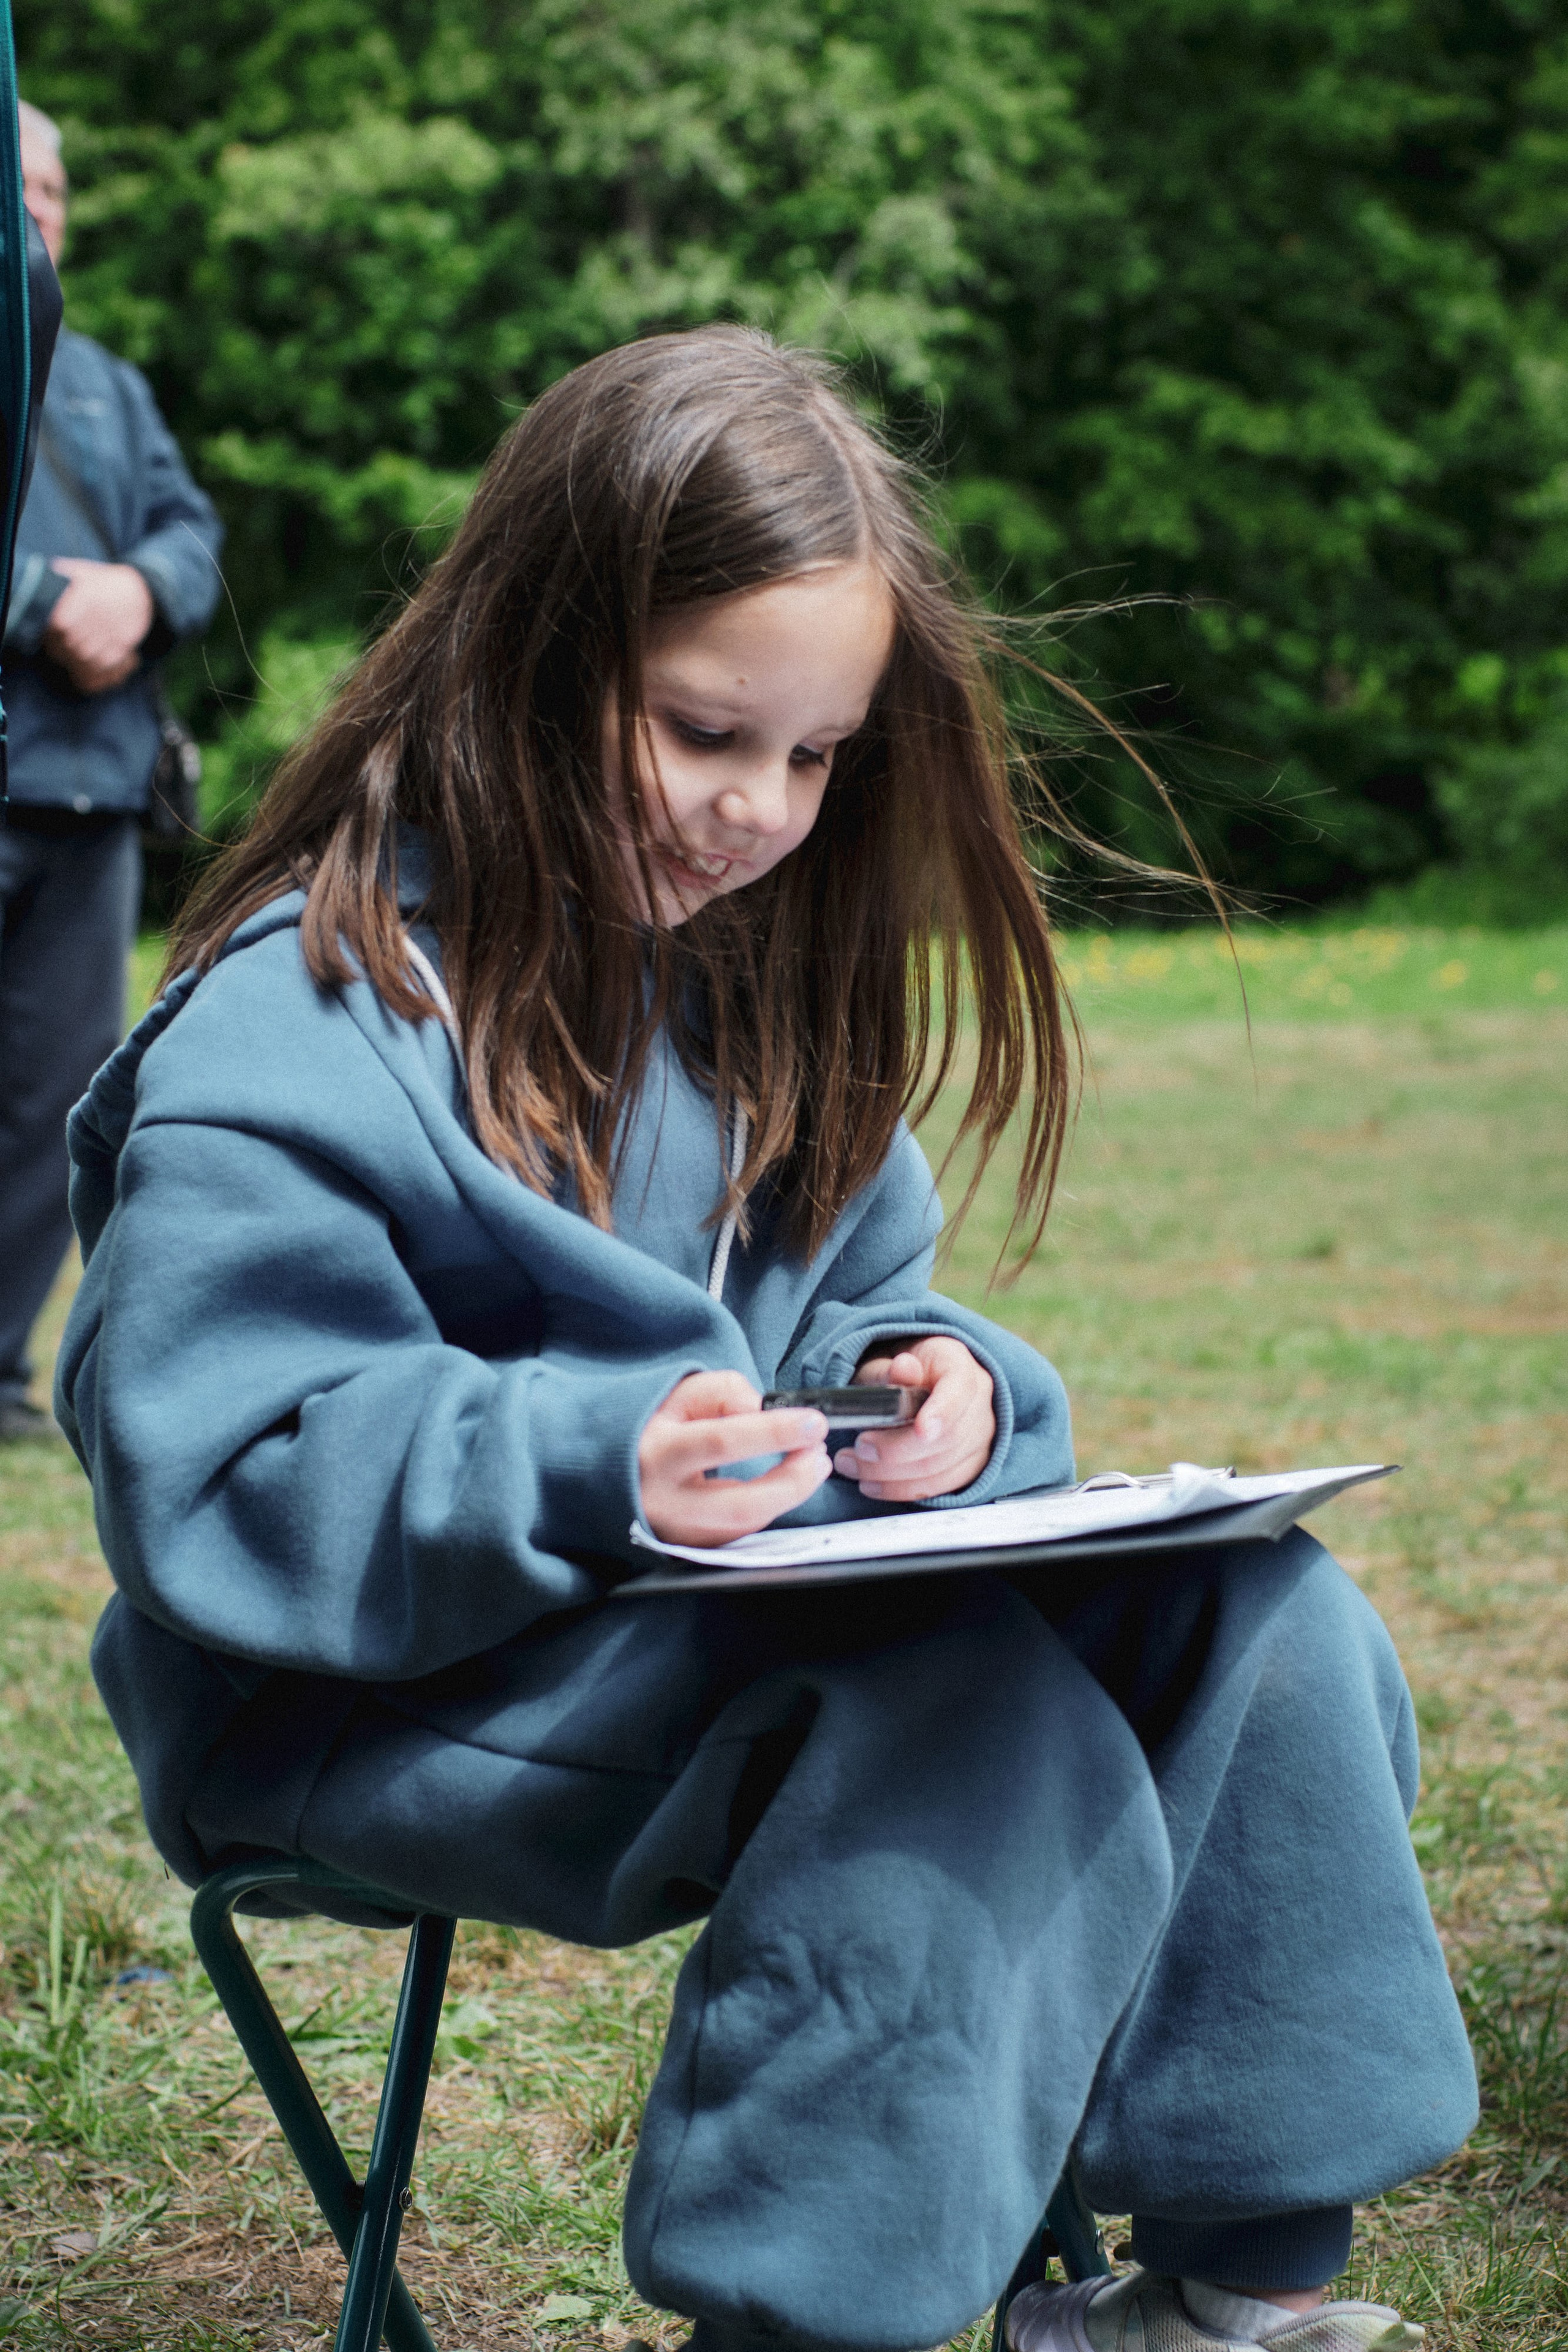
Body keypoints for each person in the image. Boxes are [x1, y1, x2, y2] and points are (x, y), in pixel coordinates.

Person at [56, 330, 1474, 2352]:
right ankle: (802, 2323)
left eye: (813, 759)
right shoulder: (301, 1020)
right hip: (354, 1684)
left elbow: (845, 1308)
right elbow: (221, 1466)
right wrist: (580, 1459)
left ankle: (1238, 2301)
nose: (757, 811)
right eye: (705, 731)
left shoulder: (745, 992)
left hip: (692, 1626)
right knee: (958, 1722)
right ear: (532, 659)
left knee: (1260, 1619)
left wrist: (943, 1401)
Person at [0, 97, 222, 1441]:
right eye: (10, 183)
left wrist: (139, 593)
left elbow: (190, 530)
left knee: (58, 1097)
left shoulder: (108, 384)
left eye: (55, 190)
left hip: (90, 796)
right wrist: (41, 605)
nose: (38, 208)